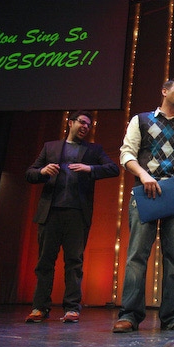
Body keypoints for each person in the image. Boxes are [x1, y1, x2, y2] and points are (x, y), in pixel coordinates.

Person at [113, 78, 174, 333]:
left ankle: (172, 314)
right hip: (145, 193)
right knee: (137, 256)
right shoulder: (141, 119)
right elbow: (126, 154)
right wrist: (144, 175)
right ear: (164, 91)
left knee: (173, 258)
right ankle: (130, 315)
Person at [25, 111, 120, 323]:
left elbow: (113, 169)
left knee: (74, 262)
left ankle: (71, 308)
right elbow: (29, 173)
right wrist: (42, 172)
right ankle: (40, 308)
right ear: (70, 123)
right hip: (50, 213)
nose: (86, 126)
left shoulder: (93, 150)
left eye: (89, 124)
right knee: (45, 262)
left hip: (77, 213)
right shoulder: (51, 147)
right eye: (82, 122)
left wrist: (90, 168)